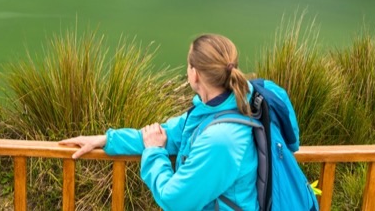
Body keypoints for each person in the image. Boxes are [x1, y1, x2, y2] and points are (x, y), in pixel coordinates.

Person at [60, 34, 258, 211]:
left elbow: (175, 200)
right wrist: (107, 140)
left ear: (194, 73)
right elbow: (166, 134)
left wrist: (154, 152)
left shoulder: (221, 139)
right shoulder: (212, 110)